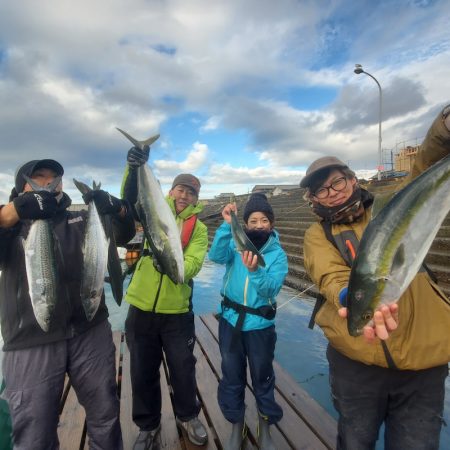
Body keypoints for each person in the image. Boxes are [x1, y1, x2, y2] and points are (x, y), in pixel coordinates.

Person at [301, 104, 450, 450]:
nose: (332, 191)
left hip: (423, 362)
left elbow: (425, 166)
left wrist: (444, 128)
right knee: (356, 440)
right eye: (321, 190)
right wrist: (346, 298)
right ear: (313, 200)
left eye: (337, 181)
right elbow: (330, 274)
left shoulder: (387, 206)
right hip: (357, 364)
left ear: (353, 180)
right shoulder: (316, 234)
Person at [0, 158, 136, 450]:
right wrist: (11, 211)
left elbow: (125, 235)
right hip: (30, 340)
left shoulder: (81, 219)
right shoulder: (10, 224)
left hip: (89, 331)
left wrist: (118, 208)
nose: (48, 183)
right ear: (21, 185)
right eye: (38, 177)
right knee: (34, 432)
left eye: (54, 178)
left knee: (105, 414)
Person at [121, 145, 209, 450]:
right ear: (170, 192)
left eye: (191, 193)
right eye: (181, 190)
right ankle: (148, 426)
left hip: (177, 311)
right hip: (141, 307)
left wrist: (177, 267)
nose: (185, 196)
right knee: (142, 371)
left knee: (183, 367)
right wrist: (134, 167)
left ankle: (188, 416)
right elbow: (132, 197)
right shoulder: (154, 210)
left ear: (196, 200)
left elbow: (195, 262)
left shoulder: (199, 229)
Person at [208, 193, 288, 450]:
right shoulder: (235, 244)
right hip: (231, 322)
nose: (259, 225)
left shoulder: (278, 255)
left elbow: (269, 290)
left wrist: (255, 270)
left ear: (272, 224)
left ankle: (264, 426)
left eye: (265, 220)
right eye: (253, 220)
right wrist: (225, 225)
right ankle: (236, 424)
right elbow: (216, 257)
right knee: (231, 375)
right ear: (246, 224)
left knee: (263, 376)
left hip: (260, 327)